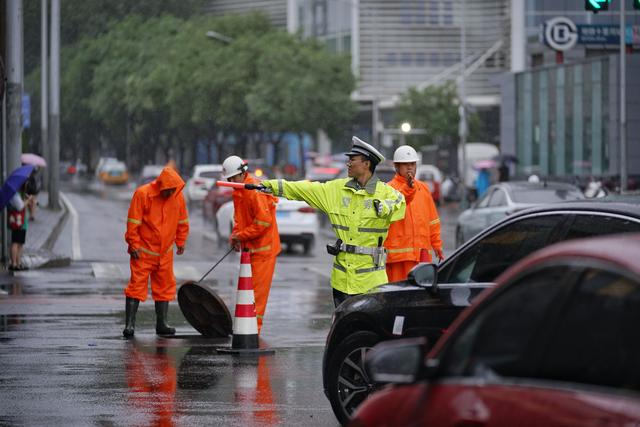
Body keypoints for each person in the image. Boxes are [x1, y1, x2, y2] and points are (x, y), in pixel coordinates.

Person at [260, 136, 406, 307]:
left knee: (366, 330)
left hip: (371, 283)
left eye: (352, 160)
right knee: (342, 329)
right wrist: (269, 186)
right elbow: (303, 189)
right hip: (341, 282)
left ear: (366, 164)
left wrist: (385, 207)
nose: (348, 164)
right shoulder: (337, 189)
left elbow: (399, 202)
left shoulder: (386, 193)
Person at [122, 166, 189, 338]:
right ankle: (129, 325)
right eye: (168, 190)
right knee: (136, 287)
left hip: (165, 252)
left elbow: (182, 221)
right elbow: (133, 223)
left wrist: (181, 241)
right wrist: (134, 245)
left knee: (165, 287)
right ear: (161, 186)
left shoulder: (177, 197)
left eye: (173, 190)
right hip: (143, 251)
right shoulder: (143, 194)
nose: (170, 193)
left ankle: (162, 323)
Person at [222, 155, 281, 334]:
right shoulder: (239, 190)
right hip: (251, 250)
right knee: (248, 293)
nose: (231, 182)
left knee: (256, 295)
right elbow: (239, 219)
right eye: (229, 179)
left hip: (264, 252)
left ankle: (254, 330)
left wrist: (241, 235)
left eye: (234, 178)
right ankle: (247, 327)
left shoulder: (254, 190)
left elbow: (263, 223)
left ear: (242, 173)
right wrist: (236, 235)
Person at [384, 145, 444, 282]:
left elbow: (432, 221)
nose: (410, 167)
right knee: (398, 295)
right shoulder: (388, 189)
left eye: (412, 164)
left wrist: (437, 245)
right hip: (398, 257)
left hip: (421, 255)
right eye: (405, 164)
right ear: (397, 167)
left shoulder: (423, 188)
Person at [7, 185, 34, 271]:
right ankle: (14, 263)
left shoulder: (19, 194)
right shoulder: (14, 195)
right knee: (15, 242)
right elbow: (20, 206)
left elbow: (23, 205)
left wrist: (29, 202)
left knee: (20, 243)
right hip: (17, 222)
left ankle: (18, 263)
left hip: (21, 222)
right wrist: (28, 200)